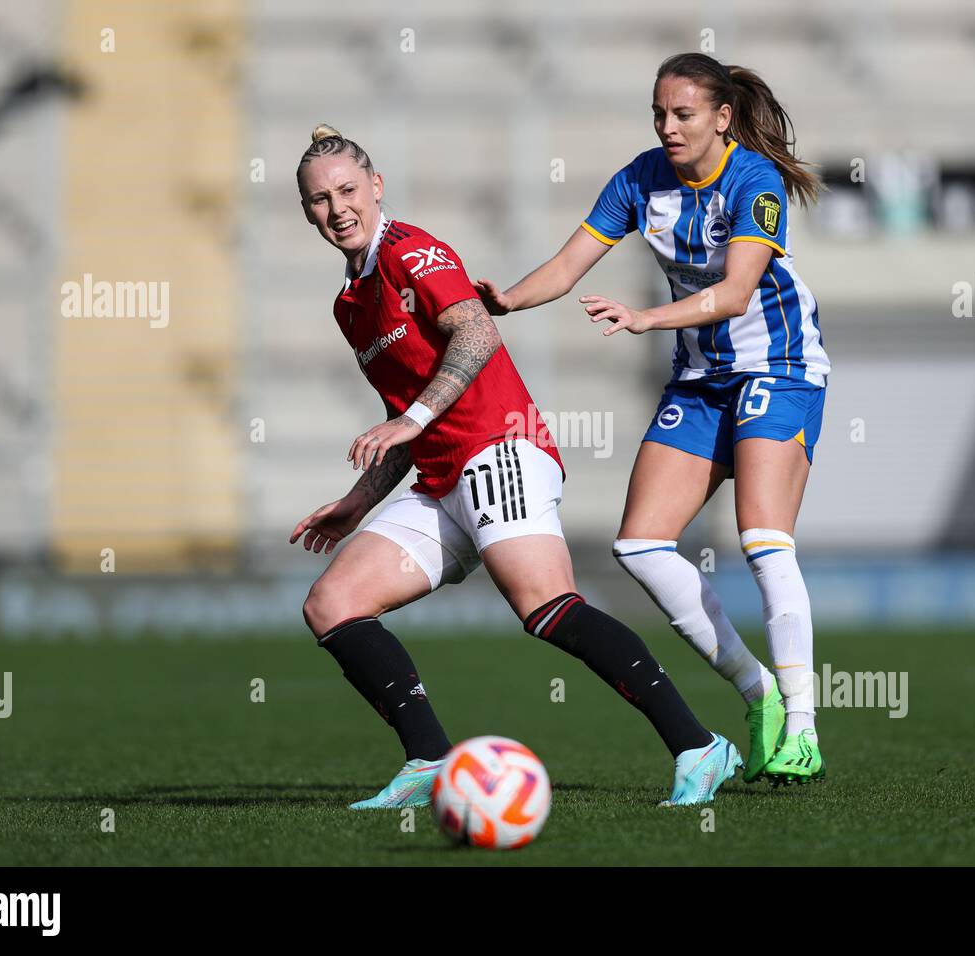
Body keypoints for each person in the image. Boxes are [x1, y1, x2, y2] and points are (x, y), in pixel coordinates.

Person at [291, 124, 741, 809]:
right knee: (331, 604)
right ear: (307, 212)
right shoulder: (349, 303)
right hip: (441, 475)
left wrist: (409, 421)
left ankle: (698, 745)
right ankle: (430, 762)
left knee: (545, 607)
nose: (338, 208)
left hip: (499, 449)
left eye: (348, 190)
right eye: (320, 200)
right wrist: (359, 499)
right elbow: (406, 419)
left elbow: (475, 330)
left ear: (376, 187)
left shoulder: (414, 251)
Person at [473, 53, 830, 785]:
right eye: (659, 114)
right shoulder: (641, 178)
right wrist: (505, 300)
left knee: (762, 540)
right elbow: (569, 265)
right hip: (700, 381)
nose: (667, 127)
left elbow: (735, 295)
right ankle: (756, 689)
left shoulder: (754, 181)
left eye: (683, 114)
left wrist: (644, 318)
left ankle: (803, 725)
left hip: (779, 368)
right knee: (639, 544)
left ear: (722, 118)